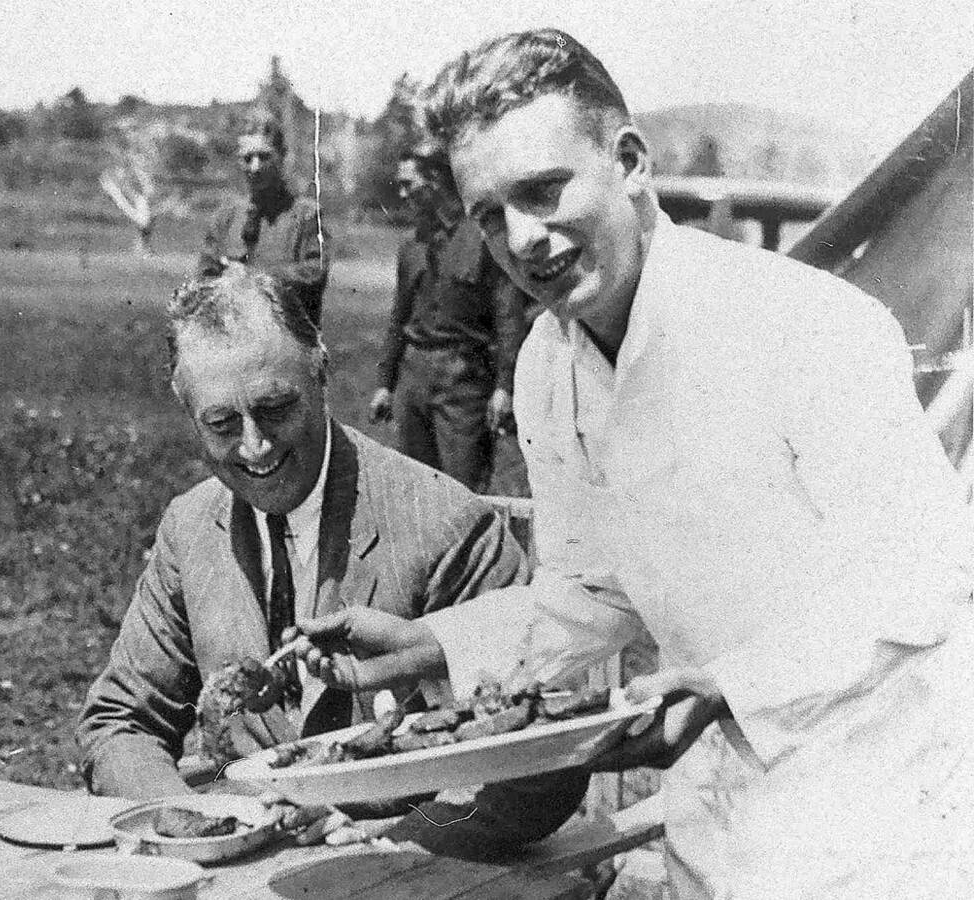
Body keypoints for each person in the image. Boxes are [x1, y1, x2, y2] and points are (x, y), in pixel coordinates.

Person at [292, 29, 974, 898]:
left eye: (545, 191)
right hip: (718, 831)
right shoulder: (546, 363)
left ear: (629, 161)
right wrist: (432, 646)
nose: (523, 239)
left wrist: (732, 687)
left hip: (886, 828)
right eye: (490, 214)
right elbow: (594, 592)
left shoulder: (802, 324)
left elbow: (928, 571)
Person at [78, 270, 588, 856]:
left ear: (321, 375)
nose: (254, 446)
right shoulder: (191, 526)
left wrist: (385, 838)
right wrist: (193, 821)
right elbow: (120, 722)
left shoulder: (446, 525)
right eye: (221, 424)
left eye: (275, 408)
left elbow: (548, 772)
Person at [370, 141, 527, 492]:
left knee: (463, 492)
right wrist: (385, 383)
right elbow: (399, 318)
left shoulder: (485, 238)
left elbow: (508, 318)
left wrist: (505, 386)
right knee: (414, 489)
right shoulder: (412, 246)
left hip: (463, 381)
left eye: (409, 183)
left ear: (436, 180)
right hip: (413, 378)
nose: (403, 192)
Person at [195, 114, 330, 326]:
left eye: (264, 157)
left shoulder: (306, 216)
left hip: (287, 343)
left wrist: (254, 277)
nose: (255, 168)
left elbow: (314, 273)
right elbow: (204, 278)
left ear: (282, 157)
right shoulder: (227, 217)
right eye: (247, 158)